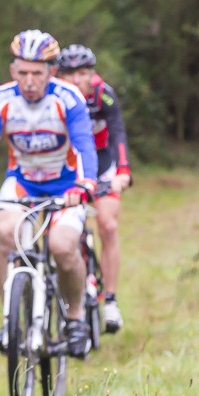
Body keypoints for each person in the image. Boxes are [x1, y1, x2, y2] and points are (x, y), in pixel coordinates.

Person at [0, 29, 98, 358]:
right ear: (12, 71)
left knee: (62, 247)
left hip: (67, 185)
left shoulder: (68, 98)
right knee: (6, 233)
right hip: (23, 182)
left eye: (37, 73)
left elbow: (84, 145)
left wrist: (85, 184)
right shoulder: (1, 99)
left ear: (51, 71)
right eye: (23, 72)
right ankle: (10, 318)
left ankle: (76, 317)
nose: (30, 80)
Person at [56, 44, 132, 333]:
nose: (77, 80)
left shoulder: (103, 95)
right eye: (70, 74)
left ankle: (110, 300)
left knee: (108, 224)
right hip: (69, 167)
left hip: (102, 164)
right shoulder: (54, 98)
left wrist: (122, 171)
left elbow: (118, 132)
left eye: (83, 73)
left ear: (93, 74)